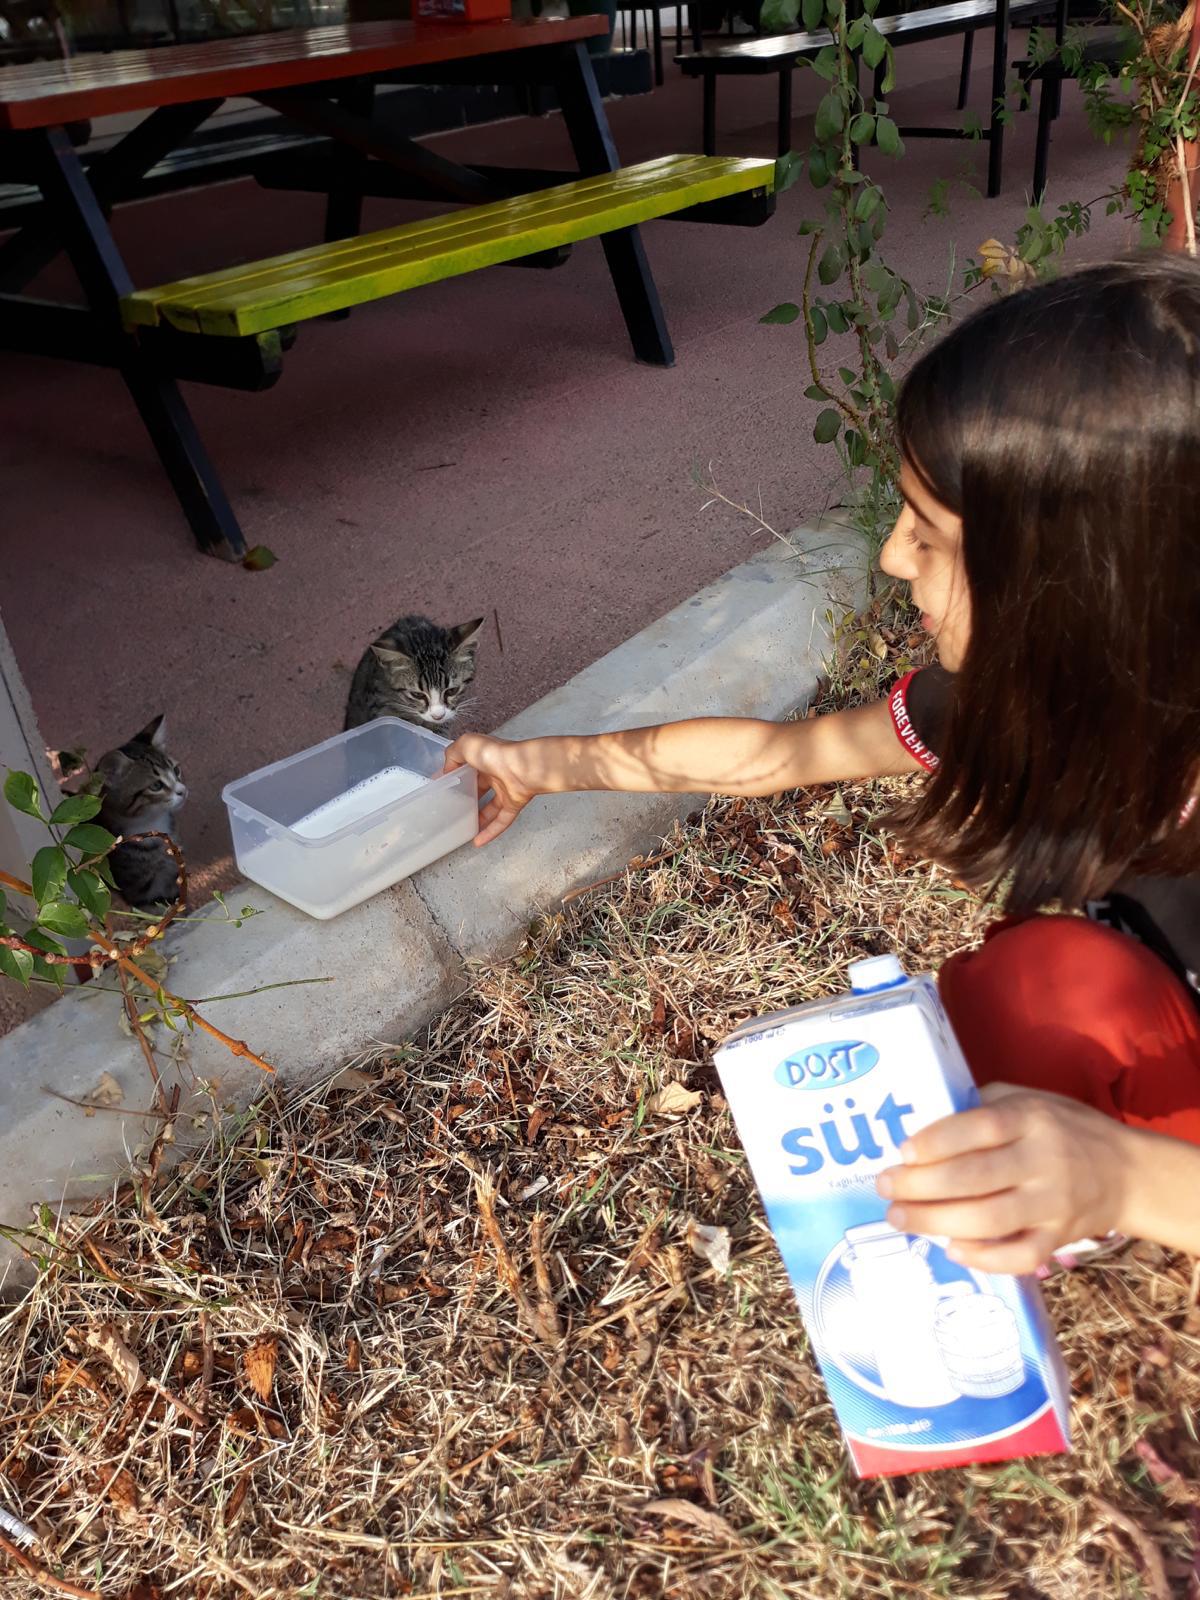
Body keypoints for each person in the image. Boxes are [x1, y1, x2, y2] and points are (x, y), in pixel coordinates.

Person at [445, 256, 1200, 1274]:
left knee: (1047, 997)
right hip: (1152, 1012)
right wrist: (540, 764)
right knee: (1024, 994)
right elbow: (772, 756)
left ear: (1077, 580)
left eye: (930, 537)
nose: (892, 558)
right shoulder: (1033, 692)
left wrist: (1121, 1174)